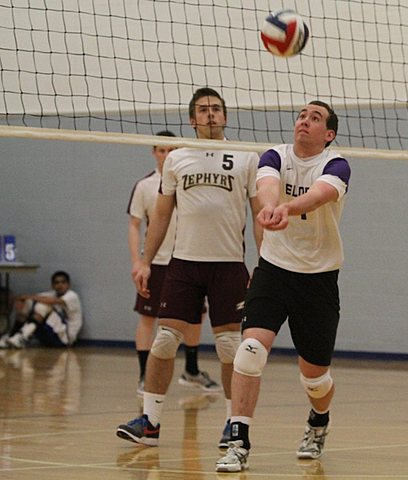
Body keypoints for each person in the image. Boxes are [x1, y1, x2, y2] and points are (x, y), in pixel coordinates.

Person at [116, 87, 262, 447]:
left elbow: (259, 214)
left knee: (230, 346)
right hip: (184, 264)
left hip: (228, 264)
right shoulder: (177, 159)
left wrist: (265, 263)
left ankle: (233, 424)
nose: (210, 114)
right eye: (203, 109)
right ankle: (150, 423)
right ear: (191, 120)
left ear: (225, 117)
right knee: (164, 340)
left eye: (216, 109)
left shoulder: (246, 157)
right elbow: (161, 215)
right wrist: (145, 262)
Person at [215, 100, 350, 473]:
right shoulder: (275, 154)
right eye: (303, 115)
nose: (305, 121)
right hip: (273, 270)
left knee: (316, 380)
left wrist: (286, 210)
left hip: (319, 279)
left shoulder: (336, 164)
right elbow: (268, 185)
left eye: (316, 118)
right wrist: (271, 207)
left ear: (329, 133)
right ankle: (239, 442)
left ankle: (318, 422)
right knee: (251, 350)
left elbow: (320, 194)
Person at [127, 130, 220, 395]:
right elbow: (134, 225)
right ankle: (145, 375)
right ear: (154, 152)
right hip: (157, 261)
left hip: (189, 258)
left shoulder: (190, 180)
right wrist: (137, 261)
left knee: (195, 317)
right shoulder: (145, 186)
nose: (166, 155)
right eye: (161, 150)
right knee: (148, 317)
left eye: (171, 150)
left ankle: (191, 370)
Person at [0, 270, 82, 349]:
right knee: (29, 303)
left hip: (64, 339)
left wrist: (26, 297)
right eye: (57, 283)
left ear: (68, 285)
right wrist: (21, 300)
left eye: (63, 282)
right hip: (50, 335)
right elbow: (34, 298)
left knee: (43, 305)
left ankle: (22, 337)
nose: (60, 285)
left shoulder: (72, 296)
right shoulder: (52, 294)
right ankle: (13, 336)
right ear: (52, 285)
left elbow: (52, 301)